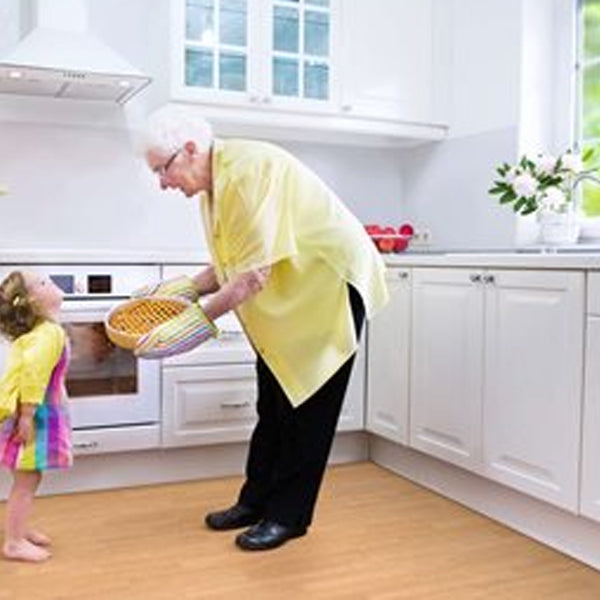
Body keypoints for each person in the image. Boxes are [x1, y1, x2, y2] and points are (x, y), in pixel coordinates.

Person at [134, 104, 389, 551]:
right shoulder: (214, 184)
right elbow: (228, 263)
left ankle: (289, 516)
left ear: (190, 150)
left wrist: (192, 323)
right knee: (272, 403)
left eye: (163, 169)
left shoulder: (248, 171)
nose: (162, 182)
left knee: (307, 410)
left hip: (328, 286)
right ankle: (255, 502)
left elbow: (253, 276)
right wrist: (182, 295)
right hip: (294, 297)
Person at [0, 271, 72, 562]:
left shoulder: (45, 330)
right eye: (42, 282)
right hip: (32, 417)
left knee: (29, 477)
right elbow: (33, 374)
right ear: (31, 300)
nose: (50, 281)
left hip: (34, 413)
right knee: (27, 479)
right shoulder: (48, 334)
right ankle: (14, 542)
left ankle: (20, 528)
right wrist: (27, 416)